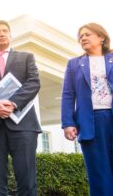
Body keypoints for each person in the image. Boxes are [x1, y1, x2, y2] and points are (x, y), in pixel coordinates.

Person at [0, 20, 41, 196]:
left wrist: (12, 103)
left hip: (23, 126)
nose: (2, 34)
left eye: (5, 31)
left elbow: (33, 83)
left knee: (27, 181)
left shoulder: (26, 57)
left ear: (10, 35)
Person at [61, 23, 113, 196]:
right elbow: (68, 95)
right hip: (90, 123)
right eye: (80, 36)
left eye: (87, 34)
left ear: (101, 37)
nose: (83, 38)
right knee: (98, 173)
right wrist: (68, 123)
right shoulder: (74, 64)